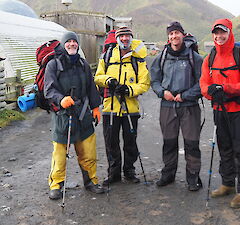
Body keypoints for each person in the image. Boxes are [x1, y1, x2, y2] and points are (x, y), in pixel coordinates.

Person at [200, 18, 240, 208]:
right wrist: (212, 92)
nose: (219, 36)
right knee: (224, 148)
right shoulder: (210, 58)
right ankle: (228, 184)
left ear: (230, 32)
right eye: (216, 33)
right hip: (219, 110)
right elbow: (204, 85)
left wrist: (225, 88)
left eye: (222, 32)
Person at [44, 31, 104, 200]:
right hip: (62, 115)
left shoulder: (83, 64)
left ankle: (91, 181)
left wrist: (96, 107)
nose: (72, 44)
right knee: (60, 154)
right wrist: (60, 99)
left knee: (88, 151)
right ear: (64, 44)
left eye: (74, 42)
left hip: (83, 114)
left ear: (78, 45)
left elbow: (91, 87)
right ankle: (56, 185)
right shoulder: (53, 65)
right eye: (68, 42)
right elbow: (48, 89)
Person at [150, 21, 203, 191]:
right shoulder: (162, 56)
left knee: (192, 143)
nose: (174, 36)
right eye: (171, 34)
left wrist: (185, 95)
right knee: (169, 142)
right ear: (168, 37)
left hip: (189, 106)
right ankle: (168, 174)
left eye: (177, 33)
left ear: (183, 34)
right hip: (167, 105)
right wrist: (161, 92)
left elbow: (203, 83)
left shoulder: (195, 58)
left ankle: (193, 176)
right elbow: (155, 80)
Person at [94, 26, 150, 185]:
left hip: (131, 109)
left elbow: (145, 84)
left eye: (128, 36)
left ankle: (129, 171)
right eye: (122, 36)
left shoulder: (137, 58)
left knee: (130, 142)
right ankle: (114, 173)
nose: (125, 39)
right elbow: (97, 77)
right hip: (110, 107)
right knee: (111, 142)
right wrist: (108, 81)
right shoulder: (107, 56)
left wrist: (129, 90)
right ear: (117, 39)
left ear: (131, 38)